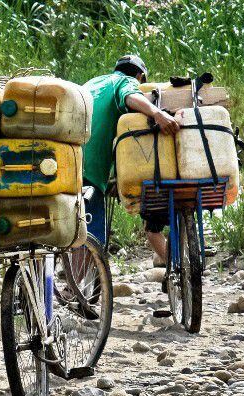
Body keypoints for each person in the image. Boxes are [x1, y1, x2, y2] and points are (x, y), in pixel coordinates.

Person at [82, 55, 180, 264]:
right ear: (139, 76)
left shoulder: (91, 83)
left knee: (72, 228)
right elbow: (130, 97)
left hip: (66, 161)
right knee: (92, 236)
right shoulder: (125, 82)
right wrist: (157, 114)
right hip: (91, 170)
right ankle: (73, 291)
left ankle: (68, 283)